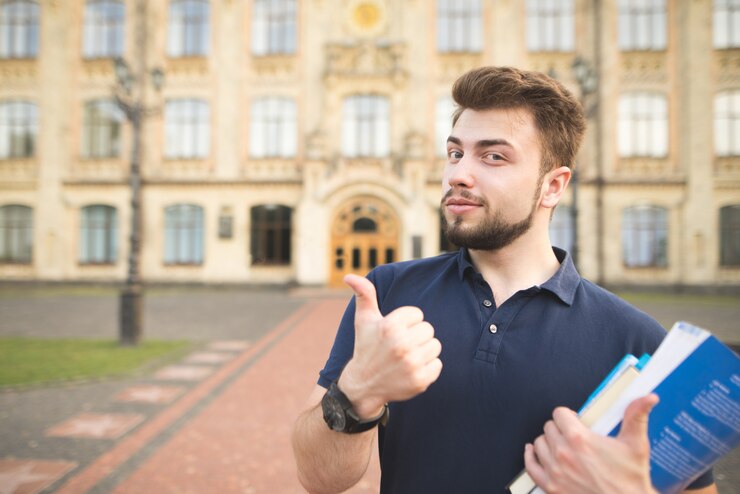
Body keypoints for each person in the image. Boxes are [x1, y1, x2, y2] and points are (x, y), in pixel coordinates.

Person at [292, 66, 716, 494]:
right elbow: (318, 479)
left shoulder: (636, 340)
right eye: (456, 153)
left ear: (552, 186)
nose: (458, 174)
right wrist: (356, 391)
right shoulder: (386, 294)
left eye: (493, 156)